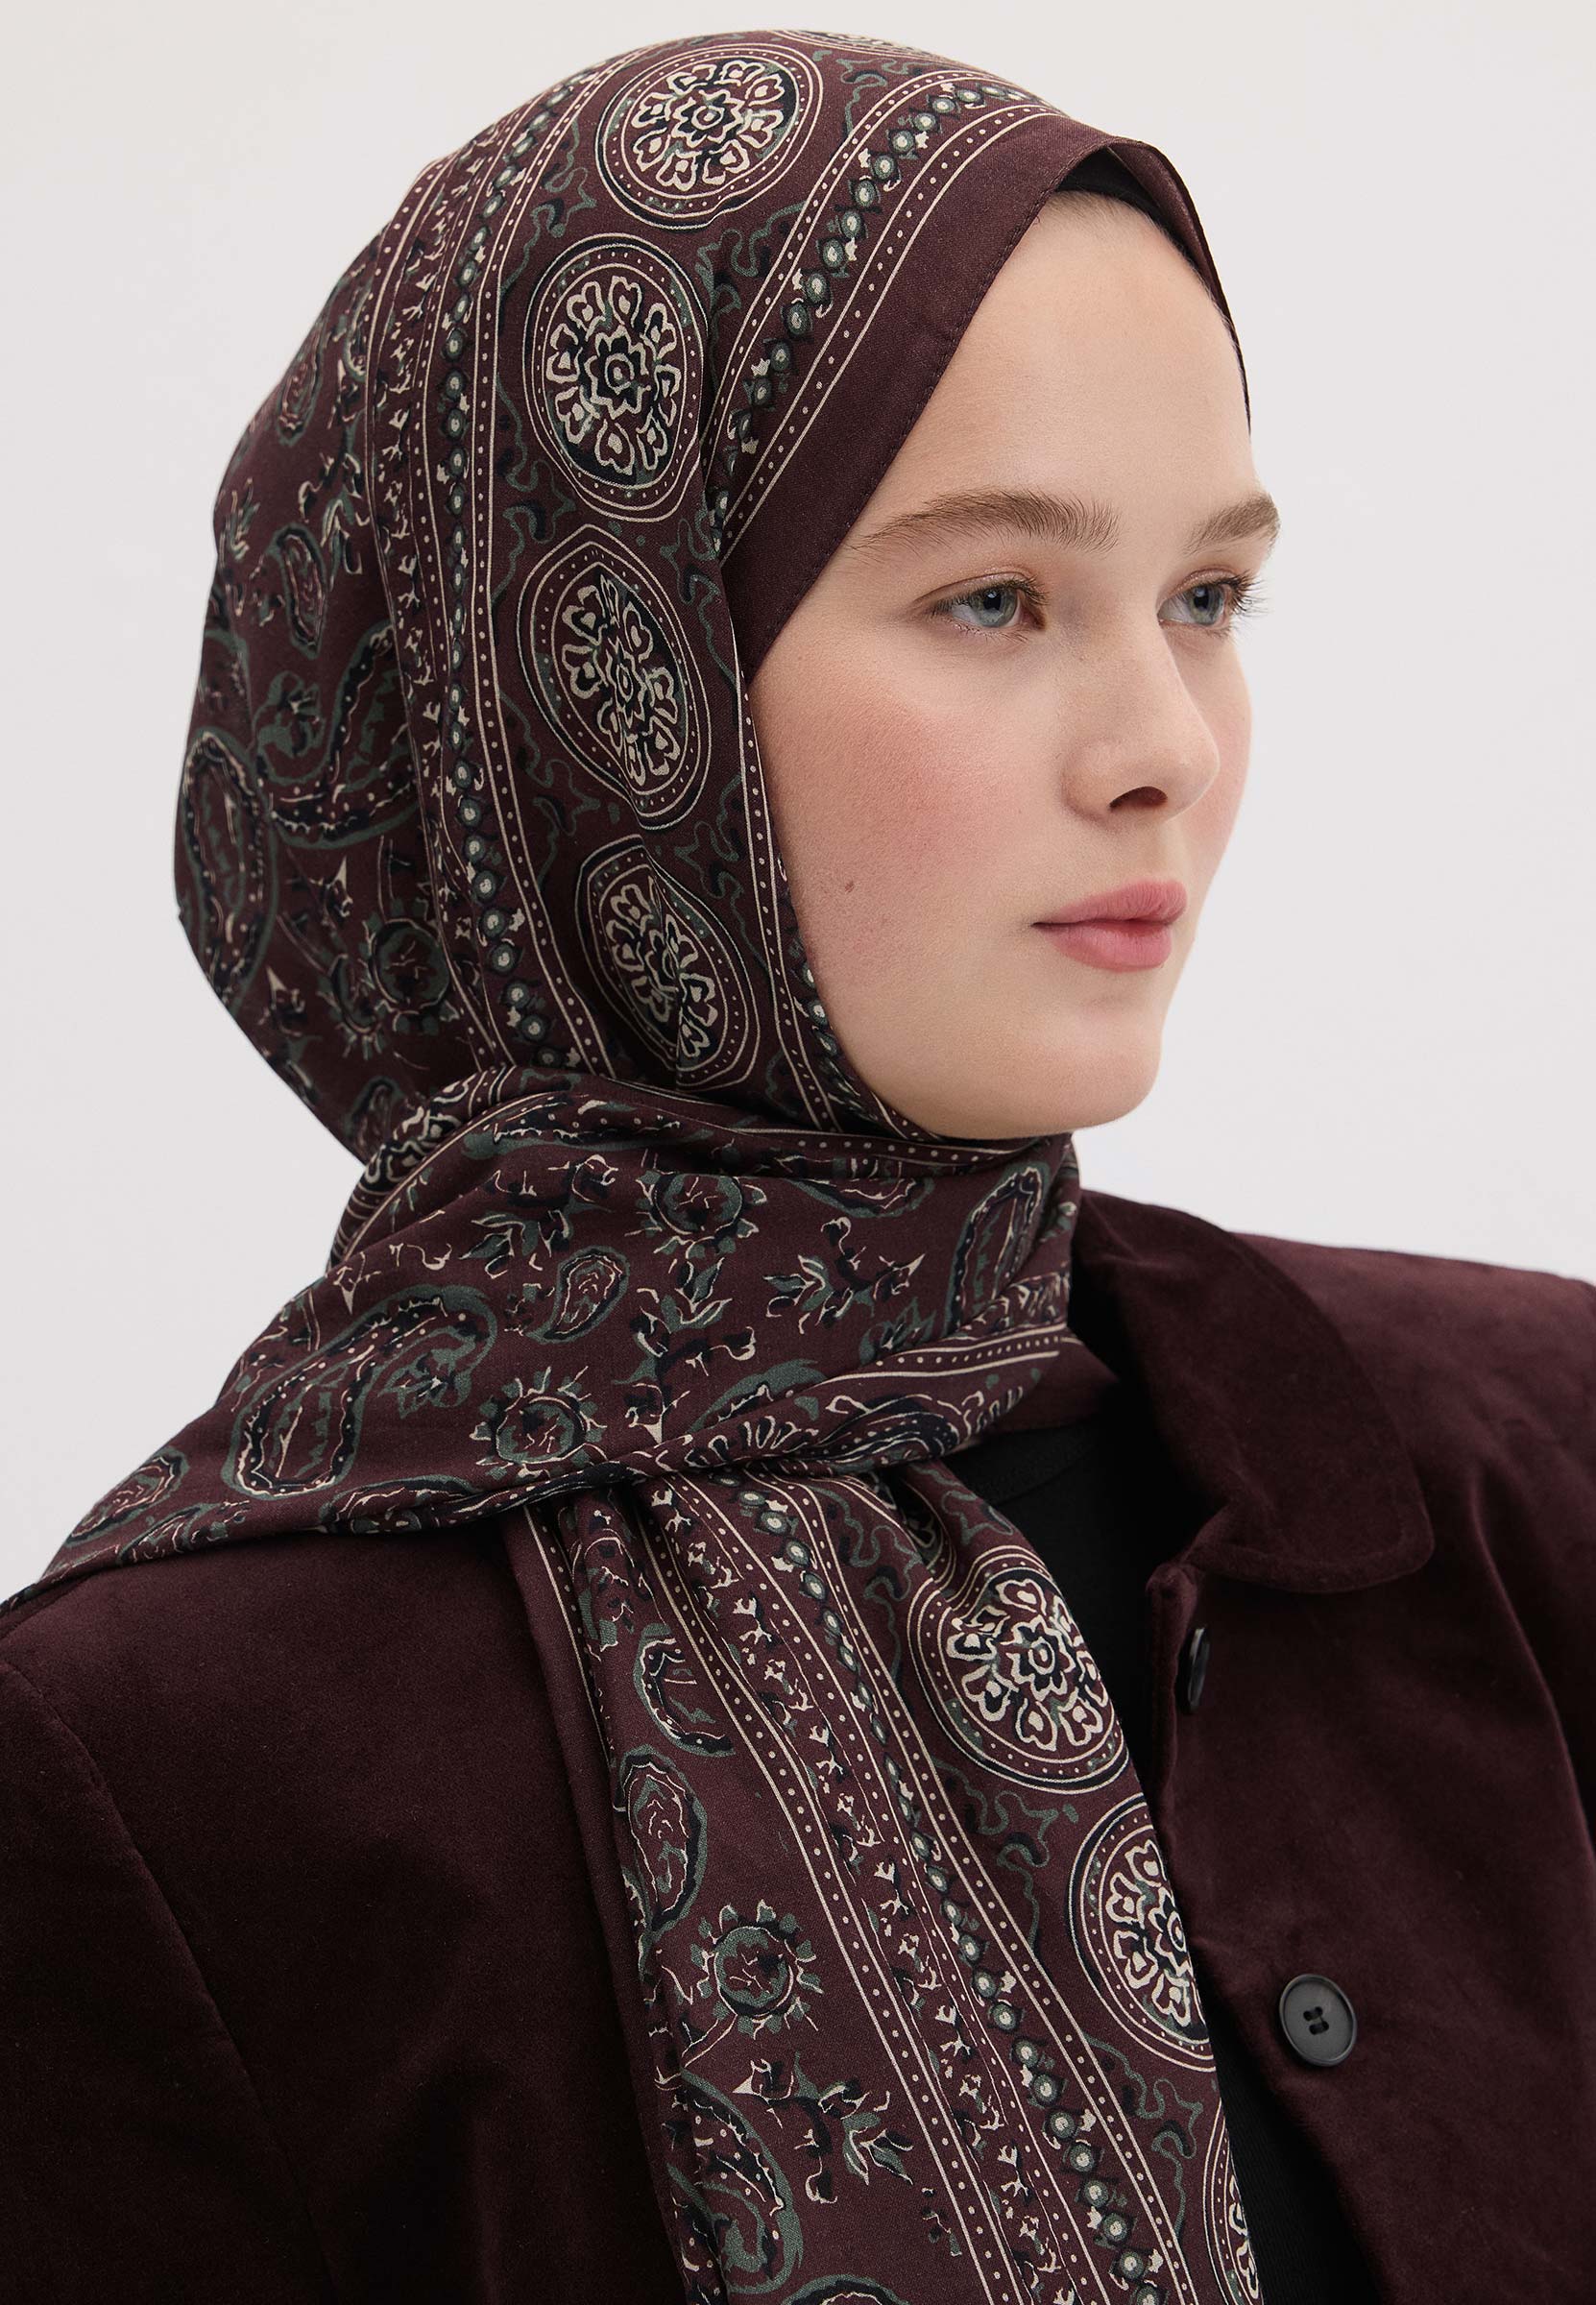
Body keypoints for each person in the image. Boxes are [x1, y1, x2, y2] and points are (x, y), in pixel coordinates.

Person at [1, 27, 1591, 2305]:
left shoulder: (1526, 1476)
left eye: (1210, 598)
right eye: (994, 600)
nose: (1164, 746)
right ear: (593, 695)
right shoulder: (159, 1766)